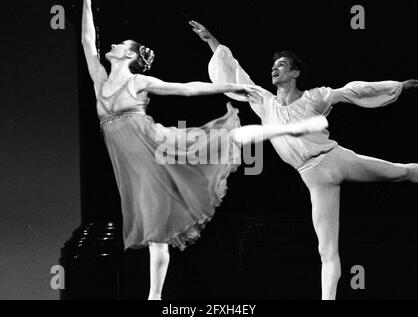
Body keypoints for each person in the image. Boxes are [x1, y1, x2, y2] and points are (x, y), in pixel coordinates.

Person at [80, 0, 328, 300]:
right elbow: (87, 41)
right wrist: (87, 3)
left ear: (129, 55)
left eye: (121, 43)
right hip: (130, 163)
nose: (114, 44)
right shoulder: (100, 80)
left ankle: (291, 128)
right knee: (155, 231)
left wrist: (227, 88)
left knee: (226, 140)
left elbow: (187, 88)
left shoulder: (138, 81)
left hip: (154, 148)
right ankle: (154, 297)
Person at [189, 19, 418, 300]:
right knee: (326, 250)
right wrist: (211, 40)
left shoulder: (314, 98)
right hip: (313, 178)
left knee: (402, 172)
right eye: (274, 65)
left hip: (335, 159)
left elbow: (353, 90)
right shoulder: (265, 102)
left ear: (295, 73)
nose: (275, 68)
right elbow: (235, 77)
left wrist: (398, 86)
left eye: (282, 65)